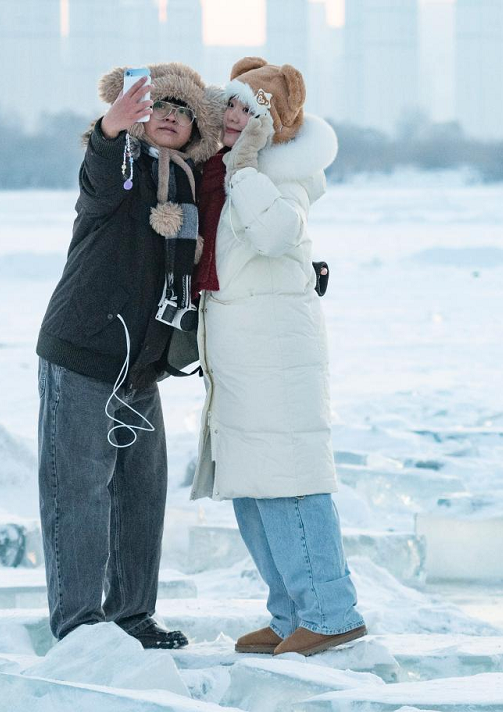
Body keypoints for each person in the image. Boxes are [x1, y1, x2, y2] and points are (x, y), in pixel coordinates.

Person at [36, 62, 223, 648]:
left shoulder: (191, 185)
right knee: (79, 490)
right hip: (86, 351)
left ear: (196, 126)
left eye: (182, 109)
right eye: (158, 106)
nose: (170, 115)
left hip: (142, 366)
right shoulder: (121, 168)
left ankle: (131, 615)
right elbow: (98, 175)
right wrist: (110, 130)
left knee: (141, 491)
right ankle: (79, 625)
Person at [191, 57, 367, 657]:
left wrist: (242, 170)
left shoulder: (279, 177)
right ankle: (291, 613)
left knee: (289, 480)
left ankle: (331, 612)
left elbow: (273, 235)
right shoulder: (228, 172)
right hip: (241, 355)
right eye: (232, 105)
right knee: (250, 485)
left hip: (276, 354)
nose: (236, 117)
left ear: (276, 124)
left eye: (252, 110)